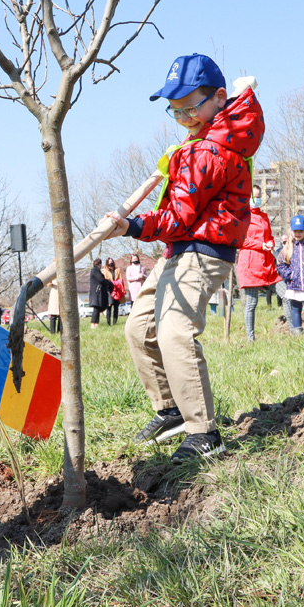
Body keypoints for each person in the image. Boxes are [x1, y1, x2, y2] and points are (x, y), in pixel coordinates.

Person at [106, 53, 263, 461]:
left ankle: (204, 431)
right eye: (175, 111)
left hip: (203, 250)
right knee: (139, 328)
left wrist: (133, 227)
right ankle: (171, 410)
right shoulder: (200, 141)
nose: (184, 117)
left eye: (192, 108)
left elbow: (178, 216)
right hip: (179, 249)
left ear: (220, 98)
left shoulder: (212, 150)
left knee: (175, 330)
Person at [237, 185, 289, 341]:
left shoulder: (264, 217)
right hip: (251, 265)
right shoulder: (241, 216)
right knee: (251, 303)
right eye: (254, 196)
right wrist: (260, 245)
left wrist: (271, 243)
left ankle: (294, 331)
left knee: (286, 295)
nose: (256, 199)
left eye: (259, 196)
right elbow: (240, 240)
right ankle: (250, 339)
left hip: (268, 266)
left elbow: (269, 236)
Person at [88, 257, 112, 328]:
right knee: (96, 308)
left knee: (97, 308)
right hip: (96, 292)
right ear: (100, 264)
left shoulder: (95, 270)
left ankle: (96, 324)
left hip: (96, 292)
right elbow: (101, 279)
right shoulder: (95, 270)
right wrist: (108, 282)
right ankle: (93, 324)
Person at [103, 257, 124, 325]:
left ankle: (115, 322)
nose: (111, 263)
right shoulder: (105, 271)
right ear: (107, 263)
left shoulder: (117, 270)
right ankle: (108, 322)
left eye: (112, 262)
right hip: (110, 290)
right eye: (109, 262)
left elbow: (120, 279)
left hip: (117, 290)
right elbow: (105, 280)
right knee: (109, 306)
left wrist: (117, 283)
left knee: (116, 306)